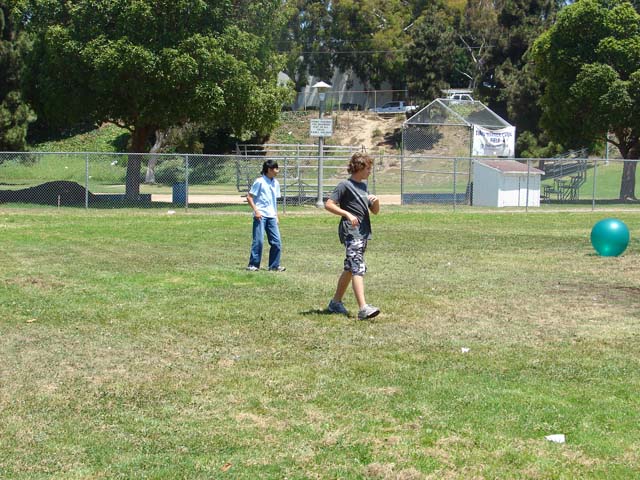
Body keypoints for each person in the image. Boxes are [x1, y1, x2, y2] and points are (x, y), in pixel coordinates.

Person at [325, 152, 380, 320]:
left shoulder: (363, 187)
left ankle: (335, 303)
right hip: (351, 232)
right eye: (368, 168)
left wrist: (376, 202)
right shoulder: (345, 185)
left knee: (350, 268)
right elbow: (329, 204)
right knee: (357, 267)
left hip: (363, 233)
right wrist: (347, 214)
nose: (370, 171)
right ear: (359, 167)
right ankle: (363, 308)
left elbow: (375, 211)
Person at [246, 159, 285, 272]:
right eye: (276, 168)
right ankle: (253, 265)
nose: (278, 171)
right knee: (258, 241)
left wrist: (276, 215)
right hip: (260, 215)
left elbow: (273, 201)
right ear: (269, 170)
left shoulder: (276, 183)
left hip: (271, 216)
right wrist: (256, 211)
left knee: (276, 242)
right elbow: (249, 197)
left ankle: (274, 265)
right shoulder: (259, 181)